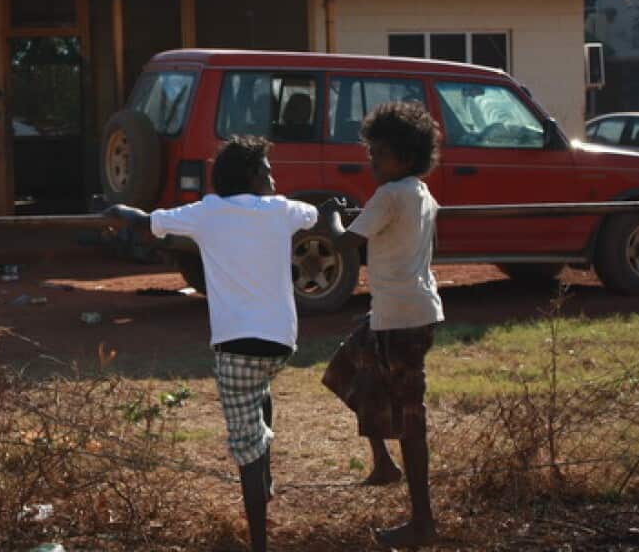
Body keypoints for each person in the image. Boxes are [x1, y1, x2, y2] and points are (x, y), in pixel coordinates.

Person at [104, 136, 317, 552]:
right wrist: (327, 214)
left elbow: (148, 222)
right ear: (256, 176)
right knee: (261, 390)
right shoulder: (283, 209)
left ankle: (259, 537)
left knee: (246, 450)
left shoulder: (207, 212)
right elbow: (316, 215)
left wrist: (118, 211)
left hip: (236, 348)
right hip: (281, 345)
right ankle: (267, 476)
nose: (273, 177)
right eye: (269, 171)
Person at [318, 101, 443, 548]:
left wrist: (330, 213)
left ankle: (423, 522)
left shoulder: (391, 195)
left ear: (405, 158)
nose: (371, 161)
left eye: (379, 154)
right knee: (347, 372)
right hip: (401, 313)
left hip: (402, 320)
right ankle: (383, 464)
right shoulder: (422, 193)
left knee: (410, 418)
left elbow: (343, 242)